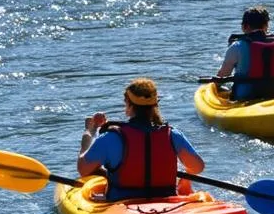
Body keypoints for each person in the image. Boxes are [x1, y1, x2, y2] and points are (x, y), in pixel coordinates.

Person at [77, 78, 205, 200]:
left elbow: (83, 170)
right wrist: (185, 179)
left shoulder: (111, 137)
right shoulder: (172, 135)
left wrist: (90, 131)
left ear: (128, 104)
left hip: (121, 202)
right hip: (166, 200)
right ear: (155, 104)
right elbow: (197, 167)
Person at [215, 6, 274, 101]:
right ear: (266, 26)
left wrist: (214, 86)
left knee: (221, 90)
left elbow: (222, 75)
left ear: (244, 27)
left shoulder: (236, 46)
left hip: (245, 97)